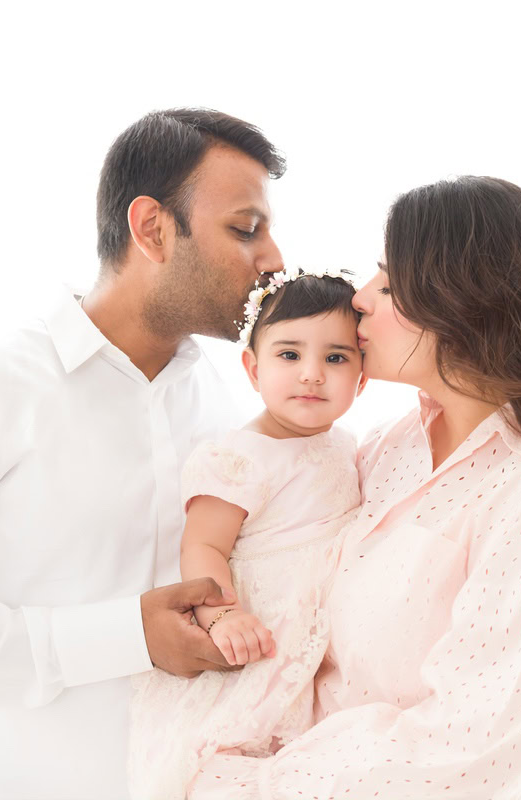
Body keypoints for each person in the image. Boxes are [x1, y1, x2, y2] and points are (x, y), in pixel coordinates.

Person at [0, 108, 287, 800]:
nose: (274, 261)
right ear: (152, 228)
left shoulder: (229, 409)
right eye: (245, 229)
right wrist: (126, 636)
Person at [188, 176, 521, 799]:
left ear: (458, 303)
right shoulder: (385, 448)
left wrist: (235, 785)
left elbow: (465, 755)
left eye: (387, 283)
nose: (359, 299)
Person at [127, 267, 369, 799]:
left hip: (318, 626)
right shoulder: (238, 456)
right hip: (261, 620)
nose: (311, 374)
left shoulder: (347, 444)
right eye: (290, 355)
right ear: (253, 369)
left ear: (362, 377)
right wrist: (222, 614)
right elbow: (203, 545)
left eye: (335, 358)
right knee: (239, 744)